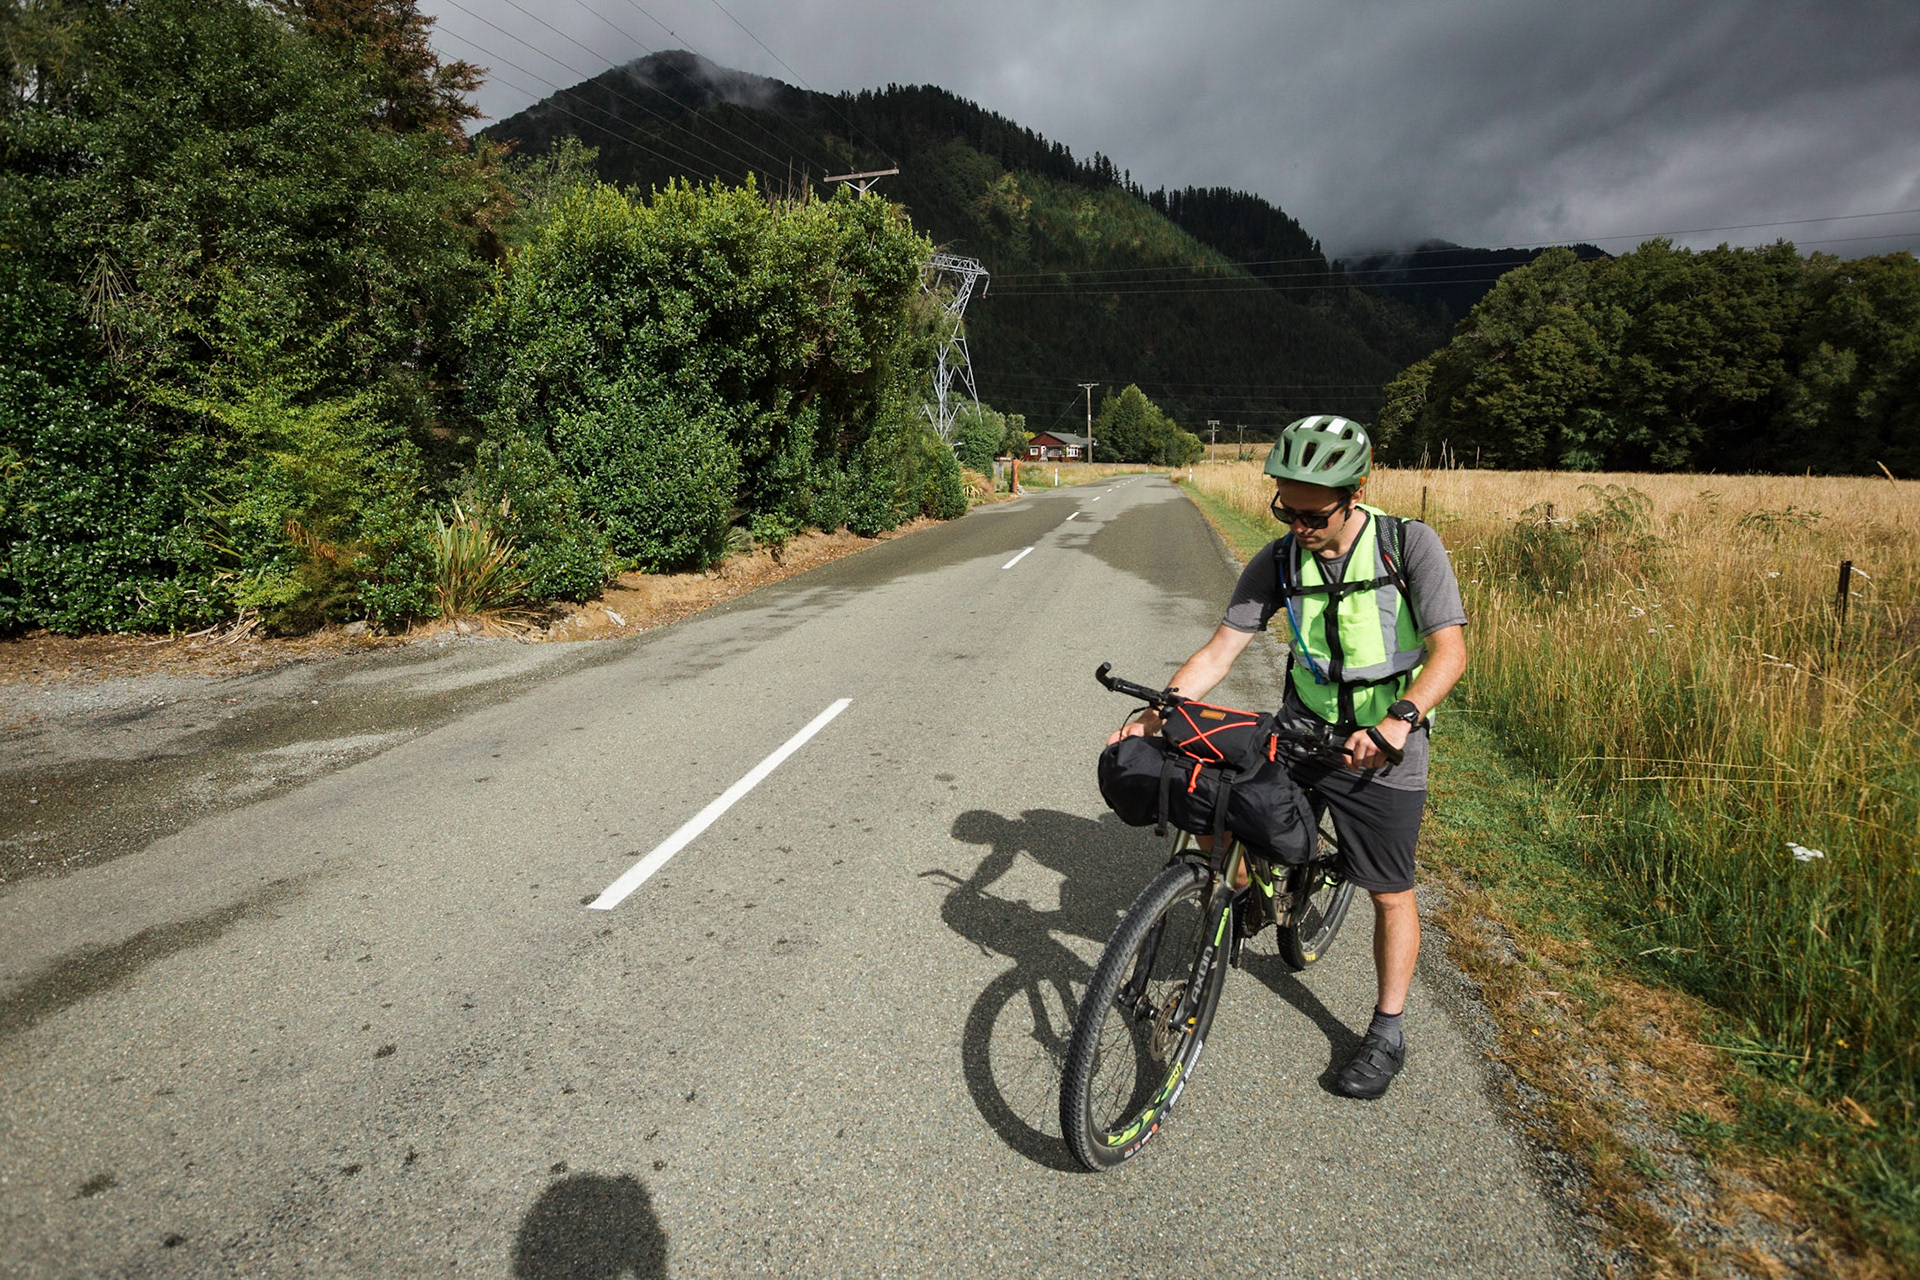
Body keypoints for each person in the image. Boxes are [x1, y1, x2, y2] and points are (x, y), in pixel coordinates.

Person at [1106, 415, 1467, 1099]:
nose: (1297, 526)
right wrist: (1159, 710)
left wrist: (1400, 720)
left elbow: (1450, 652)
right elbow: (1221, 650)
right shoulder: (1277, 560)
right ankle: (1250, 892)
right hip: (1302, 729)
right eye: (1285, 510)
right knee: (1223, 803)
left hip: (1382, 746)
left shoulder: (1408, 545)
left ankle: (1388, 1030)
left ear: (1356, 493)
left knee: (1389, 890)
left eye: (1312, 515)